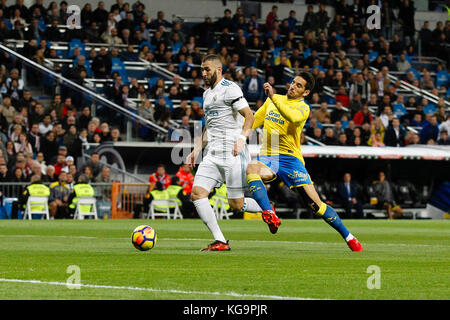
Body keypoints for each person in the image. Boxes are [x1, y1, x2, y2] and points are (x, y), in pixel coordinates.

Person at [246, 72, 363, 251]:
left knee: (316, 206)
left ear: (306, 93)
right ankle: (269, 212)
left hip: (291, 160)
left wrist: (273, 98)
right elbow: (253, 122)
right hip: (268, 157)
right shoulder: (272, 100)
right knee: (251, 168)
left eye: (299, 86)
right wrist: (238, 137)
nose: (293, 86)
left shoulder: (303, 108)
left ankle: (349, 237)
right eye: (293, 82)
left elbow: (291, 117)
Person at [185, 54, 263, 252]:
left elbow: (249, 116)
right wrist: (195, 151)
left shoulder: (230, 89)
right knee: (197, 194)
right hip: (212, 153)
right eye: (202, 69)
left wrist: (241, 139)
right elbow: (208, 127)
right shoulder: (206, 95)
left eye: (207, 69)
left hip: (232, 152)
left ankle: (267, 210)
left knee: (236, 205)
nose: (203, 73)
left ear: (218, 70)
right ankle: (220, 240)